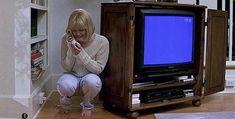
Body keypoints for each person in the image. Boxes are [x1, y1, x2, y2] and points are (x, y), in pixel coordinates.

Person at [57, 9, 109, 117]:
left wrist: (80, 53)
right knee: (64, 85)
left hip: (91, 75)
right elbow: (67, 67)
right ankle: (65, 103)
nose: (77, 34)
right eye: (74, 30)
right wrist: (71, 50)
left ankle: (87, 104)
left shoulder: (102, 42)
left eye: (81, 30)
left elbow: (98, 69)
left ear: (89, 27)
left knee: (93, 83)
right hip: (72, 74)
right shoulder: (65, 39)